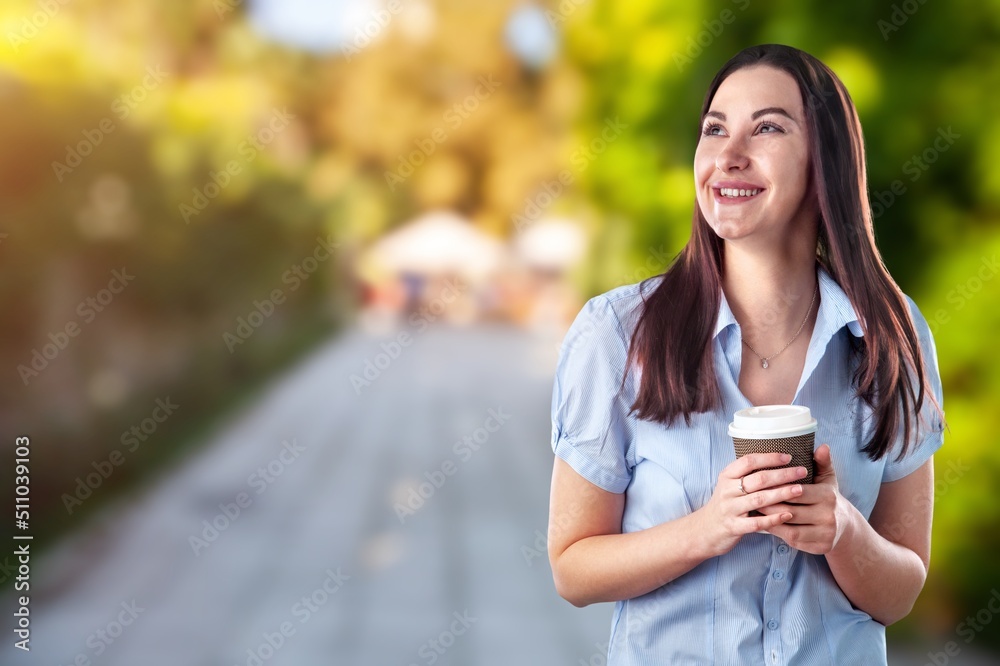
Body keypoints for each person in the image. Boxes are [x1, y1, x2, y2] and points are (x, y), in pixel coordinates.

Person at [547, 44, 946, 665]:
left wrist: (841, 531)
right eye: (714, 129)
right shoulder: (618, 333)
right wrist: (707, 529)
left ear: (825, 162)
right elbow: (573, 569)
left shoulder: (893, 336)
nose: (729, 156)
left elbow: (901, 590)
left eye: (767, 127)